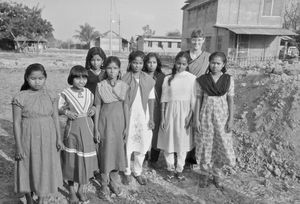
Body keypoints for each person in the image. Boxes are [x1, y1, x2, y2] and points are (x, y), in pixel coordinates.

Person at [12, 63, 64, 204]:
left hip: (48, 137)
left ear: (45, 78)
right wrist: (19, 146)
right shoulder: (20, 97)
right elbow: (16, 122)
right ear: (26, 79)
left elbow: (55, 117)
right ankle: (29, 198)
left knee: (44, 166)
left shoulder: (51, 95)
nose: (37, 81)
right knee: (27, 166)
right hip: (27, 138)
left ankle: (41, 199)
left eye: (41, 78)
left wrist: (59, 138)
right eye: (33, 78)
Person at [194, 52, 236, 187]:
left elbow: (231, 101)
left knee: (221, 145)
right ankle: (204, 176)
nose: (215, 66)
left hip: (222, 118)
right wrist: (196, 120)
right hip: (205, 117)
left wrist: (230, 119)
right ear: (209, 63)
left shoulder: (228, 80)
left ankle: (217, 175)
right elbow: (198, 100)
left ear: (223, 65)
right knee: (205, 145)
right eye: (212, 62)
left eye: (218, 63)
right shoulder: (202, 80)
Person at [58, 65, 98, 203]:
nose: (81, 81)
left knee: (85, 160)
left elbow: (93, 105)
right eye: (77, 77)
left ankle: (81, 189)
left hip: (87, 128)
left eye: (84, 77)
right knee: (71, 160)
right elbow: (58, 108)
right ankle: (71, 190)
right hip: (73, 131)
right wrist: (66, 112)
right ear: (71, 78)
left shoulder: (89, 93)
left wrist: (93, 109)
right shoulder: (65, 93)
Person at [157, 51, 196, 181]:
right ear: (175, 63)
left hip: (185, 114)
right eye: (178, 63)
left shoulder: (192, 78)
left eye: (183, 64)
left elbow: (193, 100)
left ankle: (180, 169)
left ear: (187, 64)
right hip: (170, 113)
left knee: (181, 143)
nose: (180, 66)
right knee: (169, 143)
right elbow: (164, 99)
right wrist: (163, 117)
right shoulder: (168, 79)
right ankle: (170, 169)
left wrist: (190, 116)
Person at [94, 56, 129, 197]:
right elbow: (97, 106)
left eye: (115, 68)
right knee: (105, 152)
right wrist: (96, 128)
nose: (112, 71)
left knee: (116, 152)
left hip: (119, 124)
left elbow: (126, 106)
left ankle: (114, 183)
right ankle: (103, 185)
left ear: (119, 69)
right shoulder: (100, 86)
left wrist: (127, 126)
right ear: (105, 69)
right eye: (109, 68)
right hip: (104, 124)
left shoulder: (124, 86)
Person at [122, 50, 155, 185]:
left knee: (142, 143)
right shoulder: (124, 79)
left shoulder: (148, 79)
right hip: (128, 116)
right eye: (135, 62)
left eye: (140, 63)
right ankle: (127, 171)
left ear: (144, 64)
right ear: (130, 63)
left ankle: (138, 171)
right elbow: (121, 100)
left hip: (144, 115)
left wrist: (151, 118)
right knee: (128, 144)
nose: (137, 65)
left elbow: (151, 99)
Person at [185, 29, 211, 169]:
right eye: (194, 39)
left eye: (199, 40)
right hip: (185, 93)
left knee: (197, 124)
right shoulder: (183, 55)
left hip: (201, 93)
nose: (196, 42)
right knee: (185, 123)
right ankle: (183, 155)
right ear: (191, 40)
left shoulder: (208, 57)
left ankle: (195, 157)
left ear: (203, 41)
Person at [142, 52, 165, 167]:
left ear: (157, 63)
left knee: (156, 135)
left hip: (158, 109)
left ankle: (154, 159)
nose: (151, 65)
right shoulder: (141, 75)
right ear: (145, 63)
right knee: (144, 132)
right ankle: (144, 157)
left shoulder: (162, 77)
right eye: (149, 62)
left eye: (154, 62)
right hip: (143, 108)